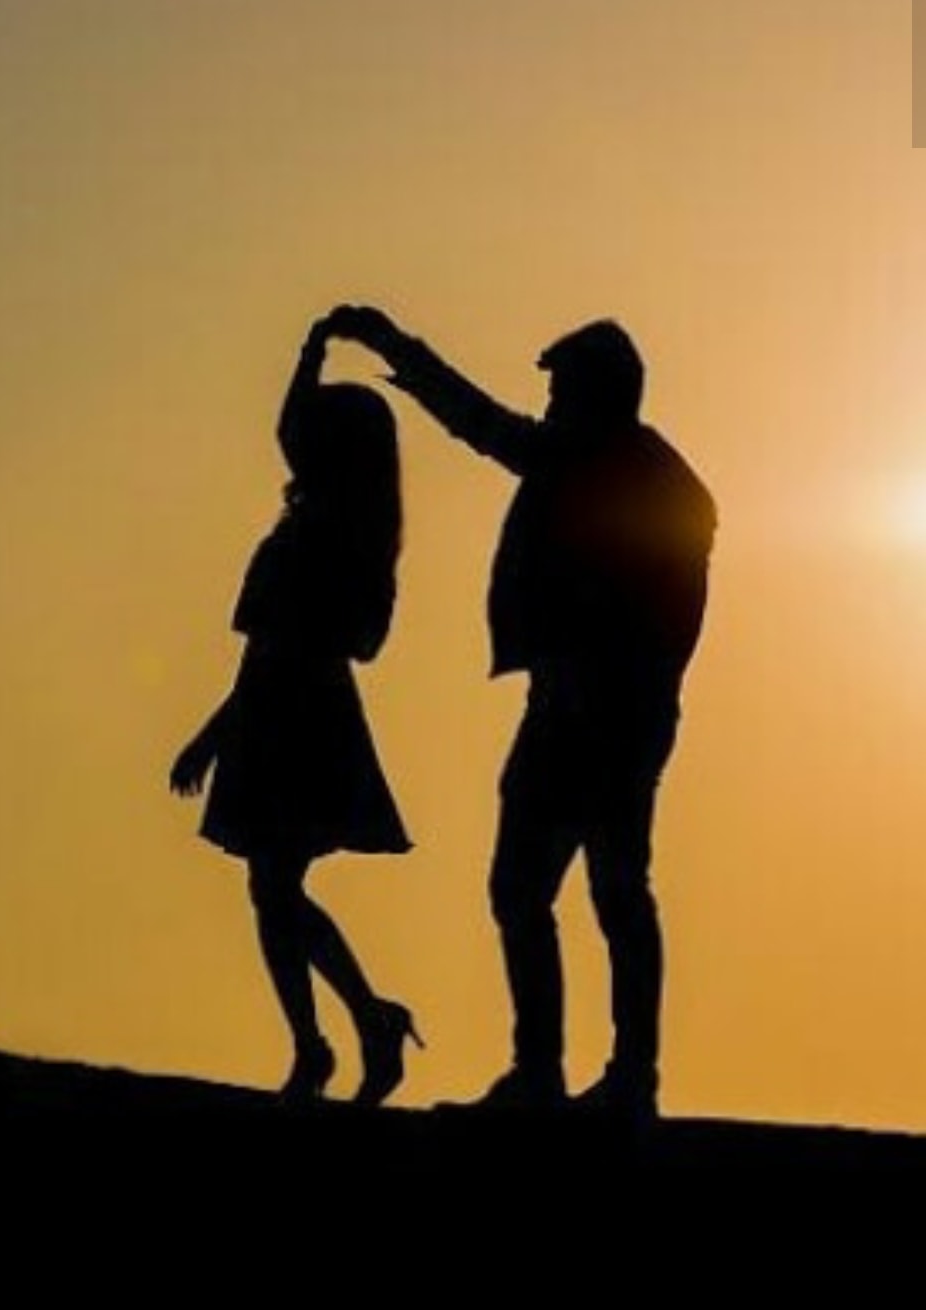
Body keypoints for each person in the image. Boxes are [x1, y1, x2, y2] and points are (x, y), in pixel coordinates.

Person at [324, 305, 716, 1122]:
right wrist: (397, 347)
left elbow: (669, 624)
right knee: (542, 889)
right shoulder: (605, 466)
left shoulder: (639, 481)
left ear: (595, 394)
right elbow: (482, 423)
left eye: (561, 391)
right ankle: (559, 1075)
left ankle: (611, 1079)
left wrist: (394, 346)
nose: (549, 405)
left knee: (598, 889)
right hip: (583, 708)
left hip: (604, 716)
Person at [169, 316, 422, 1107]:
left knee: (274, 885)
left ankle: (341, 1033)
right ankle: (339, 1033)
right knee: (272, 887)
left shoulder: (327, 536)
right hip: (285, 713)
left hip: (294, 719)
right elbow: (290, 428)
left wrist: (210, 737)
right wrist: (312, 352)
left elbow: (281, 652)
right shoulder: (336, 528)